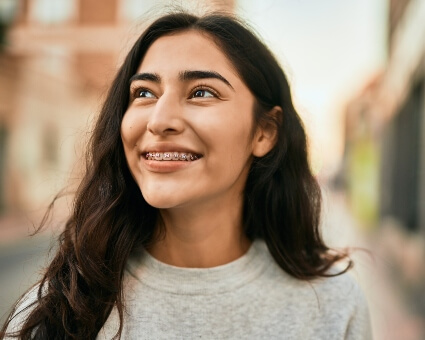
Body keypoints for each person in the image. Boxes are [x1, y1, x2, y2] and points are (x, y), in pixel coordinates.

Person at [1, 11, 371, 339]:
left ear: (264, 132)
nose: (159, 120)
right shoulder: (56, 313)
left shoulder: (333, 307)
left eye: (202, 92)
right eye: (144, 92)